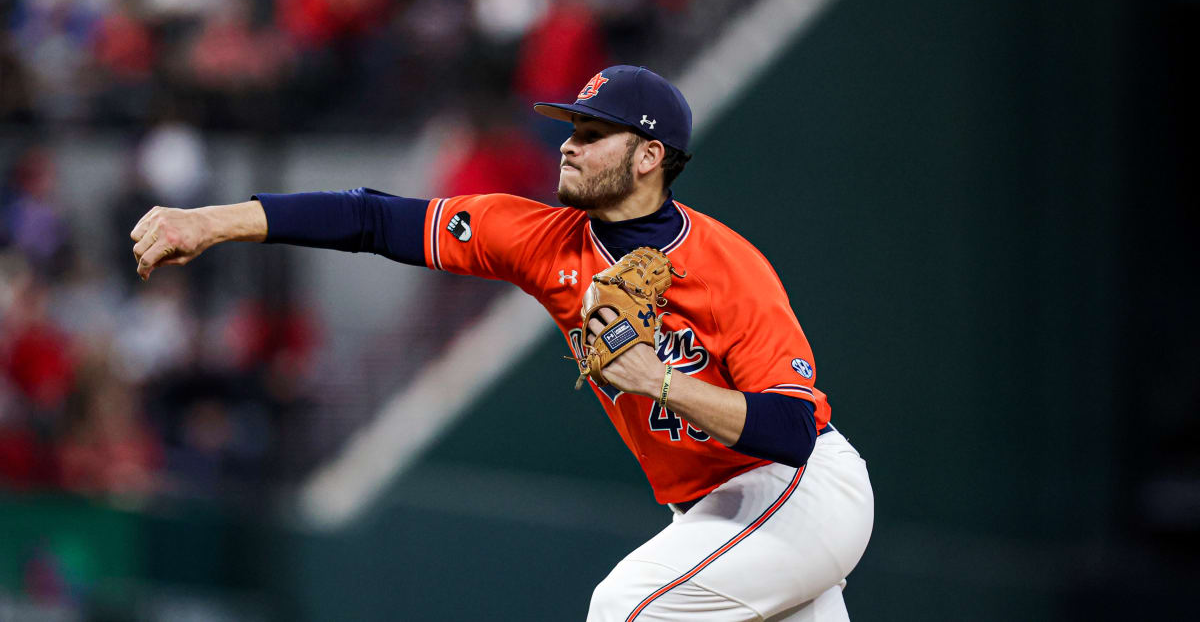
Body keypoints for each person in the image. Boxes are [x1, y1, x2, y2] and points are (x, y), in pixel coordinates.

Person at [129, 65, 874, 621]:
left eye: (591, 133)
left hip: (799, 492)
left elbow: (792, 430)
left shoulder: (729, 267)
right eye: (569, 127)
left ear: (648, 156)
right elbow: (371, 220)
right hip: (712, 511)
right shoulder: (539, 238)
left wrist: (661, 381)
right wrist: (213, 221)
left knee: (625, 607)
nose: (568, 145)